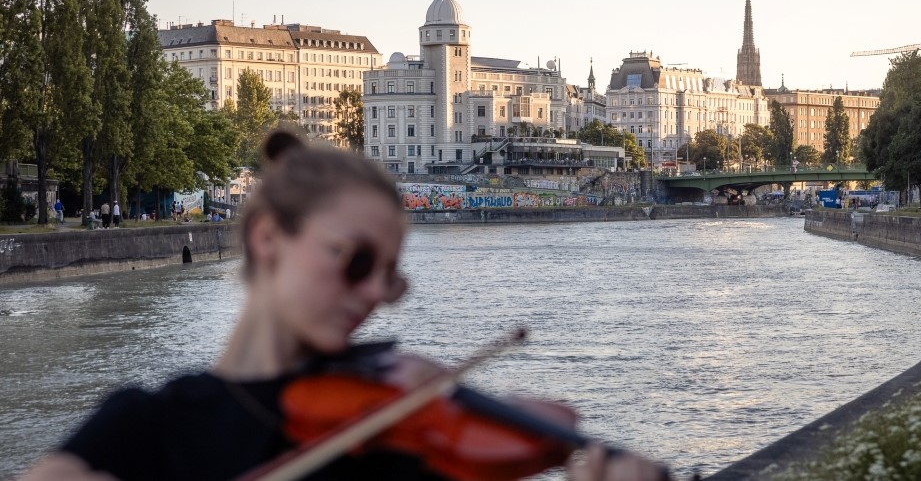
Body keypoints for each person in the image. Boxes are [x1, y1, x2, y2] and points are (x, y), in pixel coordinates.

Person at [20, 127, 666, 481]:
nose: (372, 297)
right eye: (355, 262)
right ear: (269, 236)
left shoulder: (399, 445)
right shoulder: (147, 425)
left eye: (389, 277)